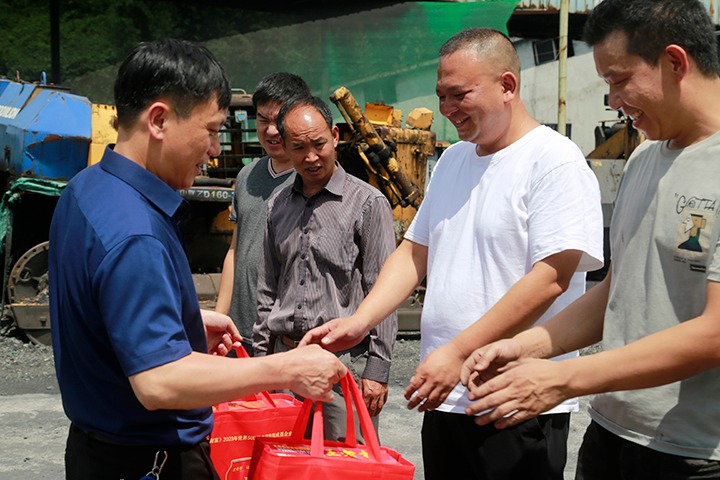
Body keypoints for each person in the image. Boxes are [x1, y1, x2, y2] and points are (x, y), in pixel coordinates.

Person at [300, 28, 604, 479]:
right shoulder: (454, 161)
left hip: (515, 399)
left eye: (459, 95)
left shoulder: (554, 161)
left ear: (507, 86)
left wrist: (459, 352)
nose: (446, 109)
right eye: (442, 95)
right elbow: (414, 253)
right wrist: (359, 321)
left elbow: (550, 278)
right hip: (444, 392)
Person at [48, 39, 346, 480]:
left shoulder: (87, 189)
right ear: (159, 120)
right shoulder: (135, 233)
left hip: (98, 452)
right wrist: (285, 368)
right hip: (149, 460)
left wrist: (183, 320)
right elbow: (158, 381)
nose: (213, 149)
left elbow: (103, 310)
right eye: (210, 130)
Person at [460, 1, 720, 479]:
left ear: (675, 62)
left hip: (696, 453)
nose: (613, 100)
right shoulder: (645, 159)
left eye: (619, 79)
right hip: (611, 435)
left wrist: (564, 378)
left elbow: (715, 331)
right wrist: (528, 346)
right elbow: (618, 291)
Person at [253, 95, 398, 440]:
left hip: (339, 368)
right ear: (286, 148)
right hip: (284, 364)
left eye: (318, 143)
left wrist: (377, 370)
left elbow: (385, 290)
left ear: (335, 136)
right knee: (284, 469)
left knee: (345, 467)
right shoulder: (277, 205)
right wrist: (259, 363)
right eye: (299, 147)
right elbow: (267, 291)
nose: (311, 156)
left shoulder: (368, 204)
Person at [215, 72, 311, 355]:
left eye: (279, 120)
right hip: (238, 333)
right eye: (263, 119)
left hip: (282, 339)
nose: (271, 130)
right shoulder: (247, 176)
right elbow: (235, 249)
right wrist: (222, 318)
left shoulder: (311, 179)